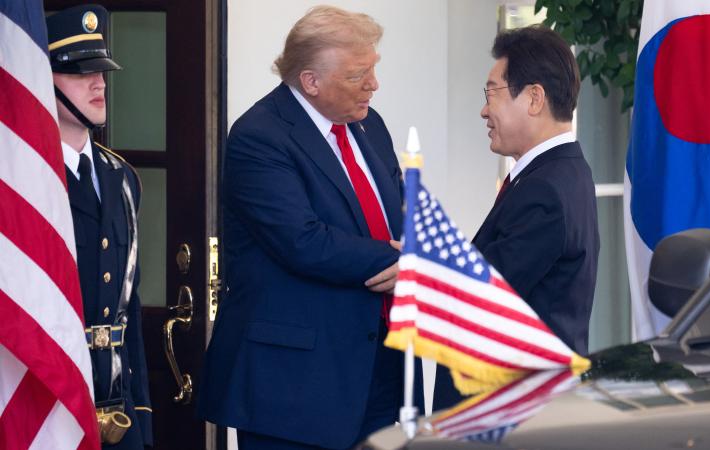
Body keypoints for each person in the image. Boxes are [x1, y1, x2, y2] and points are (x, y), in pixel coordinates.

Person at [198, 6, 421, 449]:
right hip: (295, 387)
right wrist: (403, 259)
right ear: (310, 81)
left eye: (373, 70)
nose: (373, 85)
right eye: (359, 75)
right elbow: (303, 241)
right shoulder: (259, 136)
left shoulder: (369, 126)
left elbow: (398, 215)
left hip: (381, 368)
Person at [434, 25, 600, 410]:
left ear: (534, 98)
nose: (484, 110)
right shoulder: (565, 170)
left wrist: (416, 262)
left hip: (507, 410)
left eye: (491, 92)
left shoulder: (545, 189)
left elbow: (479, 295)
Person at [47, 5, 151, 449]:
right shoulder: (25, 181)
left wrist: (141, 419)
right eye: (79, 72)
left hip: (116, 405)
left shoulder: (121, 177)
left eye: (102, 71)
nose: (99, 83)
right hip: (49, 402)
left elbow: (131, 306)